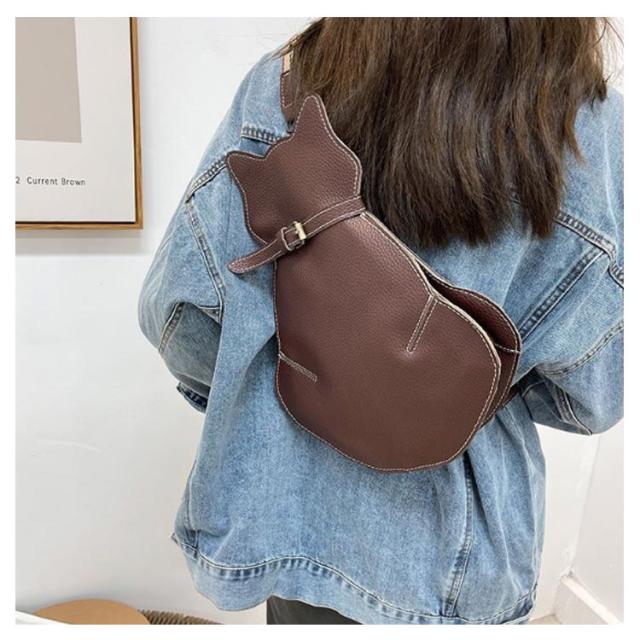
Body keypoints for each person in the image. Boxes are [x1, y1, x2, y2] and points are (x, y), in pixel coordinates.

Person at [138, 18, 623, 625]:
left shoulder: (285, 84)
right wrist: (464, 381)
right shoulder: (588, 127)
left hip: (291, 513)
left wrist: (292, 389)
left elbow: (180, 315)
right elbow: (597, 393)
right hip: (454, 563)